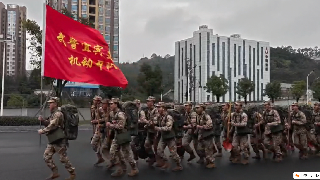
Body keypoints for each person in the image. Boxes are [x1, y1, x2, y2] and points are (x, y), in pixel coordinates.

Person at [38, 97, 76, 180]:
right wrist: (43, 120)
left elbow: (52, 125)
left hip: (59, 139)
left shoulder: (58, 114)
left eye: (51, 103)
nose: (49, 105)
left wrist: (43, 131)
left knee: (63, 158)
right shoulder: (53, 113)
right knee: (46, 156)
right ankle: (55, 172)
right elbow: (49, 123)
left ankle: (72, 173)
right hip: (53, 139)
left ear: (55, 104)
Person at [107, 98, 139, 177]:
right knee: (113, 152)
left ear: (116, 104)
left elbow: (121, 126)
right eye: (110, 104)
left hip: (123, 135)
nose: (110, 105)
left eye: (112, 104)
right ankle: (121, 167)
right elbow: (114, 122)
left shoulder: (121, 114)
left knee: (127, 153)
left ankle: (134, 168)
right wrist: (111, 123)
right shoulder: (112, 113)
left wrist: (110, 125)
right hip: (117, 135)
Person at [155, 102, 183, 171]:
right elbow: (155, 122)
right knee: (159, 151)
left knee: (173, 153)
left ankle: (179, 165)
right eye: (157, 107)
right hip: (163, 137)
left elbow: (168, 128)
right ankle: (166, 161)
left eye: (159, 107)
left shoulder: (168, 117)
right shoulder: (160, 116)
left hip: (170, 138)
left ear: (163, 108)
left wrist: (158, 128)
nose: (158, 109)